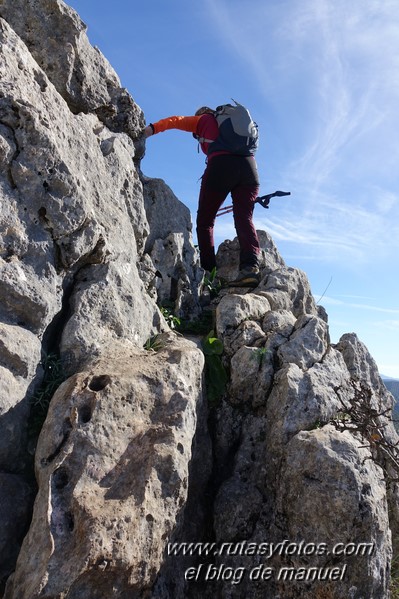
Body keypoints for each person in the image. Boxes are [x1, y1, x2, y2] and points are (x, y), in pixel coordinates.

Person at [143, 106, 261, 287]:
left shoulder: (202, 120)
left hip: (221, 166)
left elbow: (174, 120)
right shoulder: (235, 124)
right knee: (244, 218)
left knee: (206, 222)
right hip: (250, 168)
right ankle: (250, 268)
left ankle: (209, 272)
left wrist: (148, 130)